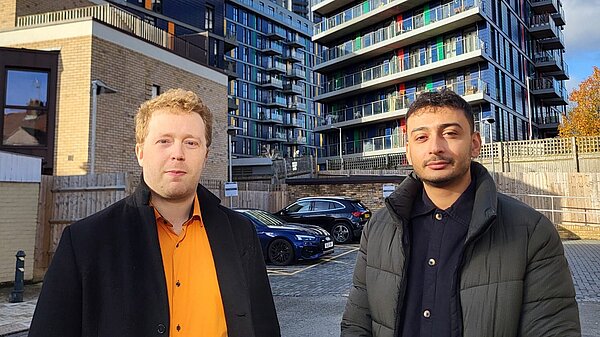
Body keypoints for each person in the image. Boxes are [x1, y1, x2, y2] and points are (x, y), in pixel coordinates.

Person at [29, 89, 280, 337]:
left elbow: (262, 324)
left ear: (205, 156)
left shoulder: (240, 233)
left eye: (191, 143)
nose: (178, 154)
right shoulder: (85, 241)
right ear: (140, 153)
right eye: (164, 141)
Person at [341, 89, 580, 337]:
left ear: (474, 144)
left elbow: (553, 328)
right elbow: (357, 323)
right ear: (409, 151)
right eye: (421, 137)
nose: (435, 147)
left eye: (450, 133)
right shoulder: (378, 228)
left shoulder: (531, 231)